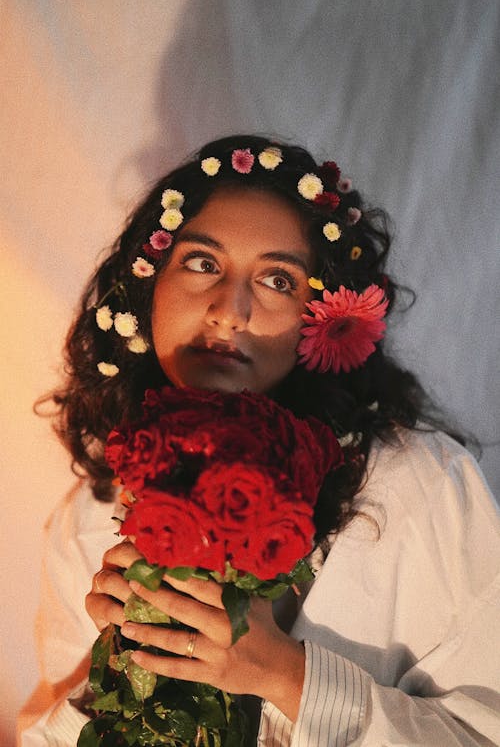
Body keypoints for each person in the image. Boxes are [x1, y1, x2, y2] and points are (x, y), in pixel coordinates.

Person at [19, 134, 500, 746]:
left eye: (278, 279)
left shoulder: (423, 489)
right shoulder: (92, 516)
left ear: (322, 318)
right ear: (149, 288)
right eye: (201, 263)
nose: (229, 309)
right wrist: (115, 665)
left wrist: (289, 678)